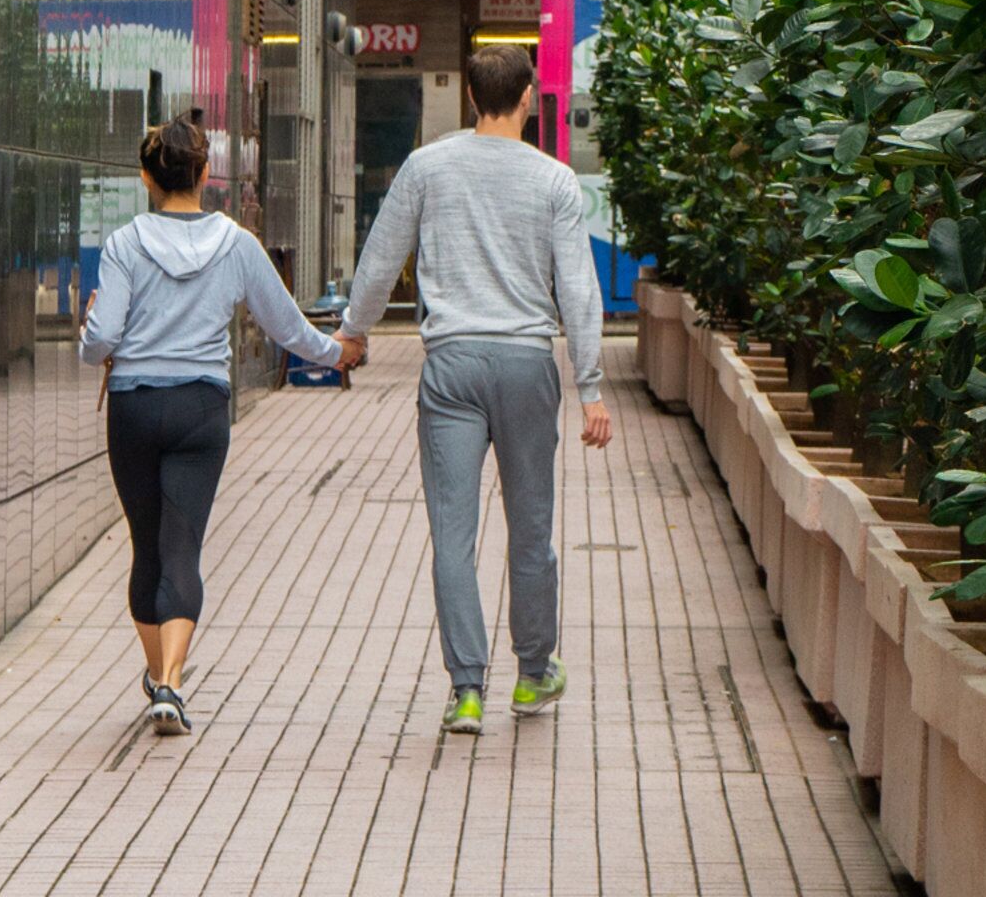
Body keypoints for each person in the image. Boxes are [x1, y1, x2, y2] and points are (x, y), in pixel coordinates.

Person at [334, 43, 609, 736]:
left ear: (468, 98)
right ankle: (533, 672)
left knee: (452, 535)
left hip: (450, 365)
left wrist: (354, 332)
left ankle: (465, 690)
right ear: (526, 100)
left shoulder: (427, 167)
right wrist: (592, 386)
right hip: (524, 366)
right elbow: (578, 290)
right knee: (532, 528)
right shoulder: (555, 181)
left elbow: (380, 255)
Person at [79, 118, 343, 737]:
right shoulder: (237, 244)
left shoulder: (124, 245)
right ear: (204, 177)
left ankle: (160, 679)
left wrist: (90, 332)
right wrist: (337, 353)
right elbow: (286, 327)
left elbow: (102, 342)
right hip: (201, 409)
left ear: (147, 178)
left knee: (147, 546)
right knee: (184, 546)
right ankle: (169, 680)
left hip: (135, 408)